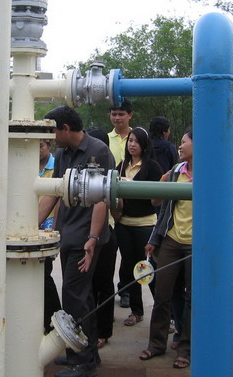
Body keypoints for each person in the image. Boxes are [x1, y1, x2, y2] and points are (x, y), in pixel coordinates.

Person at [38, 105, 113, 377]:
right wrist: (32, 224)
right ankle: (83, 352)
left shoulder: (98, 151)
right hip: (68, 233)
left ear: (66, 129)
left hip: (86, 237)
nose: (50, 137)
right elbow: (54, 192)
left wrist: (93, 238)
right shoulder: (62, 153)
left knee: (74, 296)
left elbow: (102, 198)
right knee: (79, 296)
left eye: (52, 131)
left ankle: (83, 361)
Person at [140, 129, 194, 369]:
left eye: (183, 142)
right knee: (162, 295)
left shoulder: (211, 173)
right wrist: (155, 238)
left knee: (193, 298)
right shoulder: (175, 172)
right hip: (172, 239)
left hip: (197, 243)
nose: (179, 146)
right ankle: (156, 344)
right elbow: (162, 208)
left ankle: (186, 348)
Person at [114, 127, 162, 327]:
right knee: (130, 268)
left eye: (136, 141)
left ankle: (163, 316)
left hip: (145, 225)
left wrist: (131, 185)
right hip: (124, 224)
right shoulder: (121, 165)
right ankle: (136, 311)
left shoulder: (152, 167)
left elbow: (156, 199)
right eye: (130, 141)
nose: (132, 145)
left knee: (149, 269)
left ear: (145, 145)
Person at [85, 127, 117, 349]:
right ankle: (90, 329)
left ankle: (103, 331)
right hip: (85, 232)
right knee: (88, 286)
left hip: (105, 233)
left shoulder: (107, 171)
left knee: (103, 283)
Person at [107, 99, 134, 309]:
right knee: (109, 251)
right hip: (107, 200)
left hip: (132, 202)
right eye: (114, 114)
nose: (117, 118)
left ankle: (126, 289)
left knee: (129, 253)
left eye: (121, 114)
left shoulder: (137, 137)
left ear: (130, 115)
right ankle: (107, 291)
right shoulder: (105, 139)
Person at [40, 139, 62, 333]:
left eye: (41, 145)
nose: (38, 150)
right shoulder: (25, 164)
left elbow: (58, 199)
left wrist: (54, 228)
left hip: (48, 224)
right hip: (28, 221)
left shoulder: (56, 166)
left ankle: (53, 317)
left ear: (49, 146)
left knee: (44, 272)